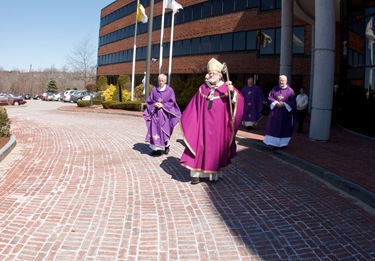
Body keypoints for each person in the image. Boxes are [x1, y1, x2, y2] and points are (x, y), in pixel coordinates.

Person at [179, 58, 244, 184]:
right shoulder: (203, 88)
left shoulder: (226, 88)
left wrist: (233, 93)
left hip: (219, 126)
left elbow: (238, 101)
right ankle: (197, 174)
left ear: (220, 75)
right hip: (203, 125)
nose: (210, 75)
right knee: (200, 146)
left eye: (213, 73)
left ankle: (213, 176)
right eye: (210, 73)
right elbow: (194, 106)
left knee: (216, 149)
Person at [143, 74, 181, 156]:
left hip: (164, 114)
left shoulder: (170, 90)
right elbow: (150, 100)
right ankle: (156, 149)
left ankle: (166, 146)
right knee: (154, 130)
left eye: (162, 81)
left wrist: (163, 105)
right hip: (155, 114)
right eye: (159, 81)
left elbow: (172, 102)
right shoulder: (154, 90)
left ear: (165, 81)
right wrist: (154, 104)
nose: (160, 82)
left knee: (164, 130)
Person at [263, 75, 296, 149]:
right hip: (275, 113)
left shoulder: (290, 91)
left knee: (283, 128)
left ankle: (282, 144)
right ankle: (272, 143)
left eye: (283, 80)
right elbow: (269, 97)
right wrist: (275, 102)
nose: (281, 82)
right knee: (273, 127)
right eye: (280, 80)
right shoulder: (275, 89)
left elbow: (293, 102)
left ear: (286, 81)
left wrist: (284, 104)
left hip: (285, 114)